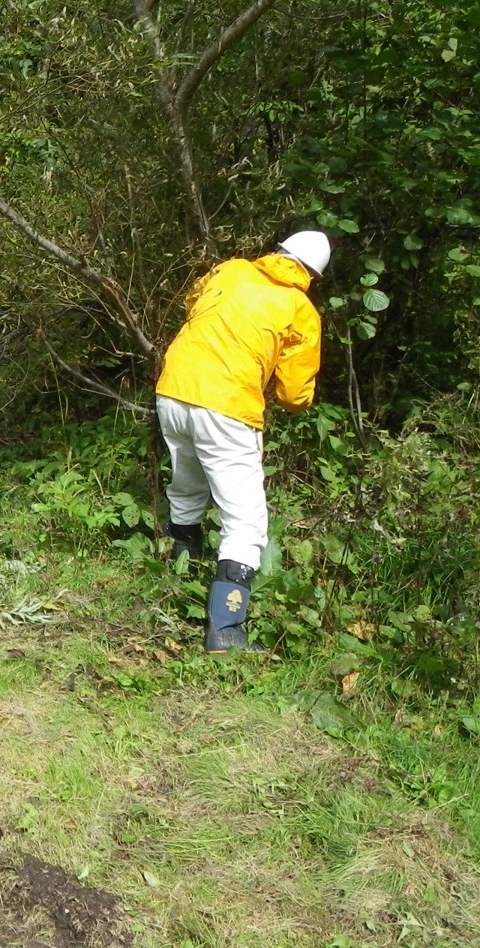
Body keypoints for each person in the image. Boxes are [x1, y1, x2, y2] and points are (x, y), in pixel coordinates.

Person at [155, 230, 330, 653]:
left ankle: (175, 575)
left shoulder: (231, 269)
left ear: (279, 252)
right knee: (245, 521)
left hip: (173, 388)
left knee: (187, 483)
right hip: (228, 405)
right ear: (311, 274)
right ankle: (226, 630)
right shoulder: (299, 308)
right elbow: (294, 395)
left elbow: (194, 303)